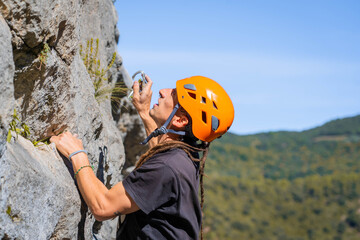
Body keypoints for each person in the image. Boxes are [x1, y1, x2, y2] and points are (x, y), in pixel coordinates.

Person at [50, 75, 234, 239]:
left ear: (179, 120)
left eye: (174, 95)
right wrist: (144, 112)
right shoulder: (184, 156)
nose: (163, 91)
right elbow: (161, 150)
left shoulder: (168, 166)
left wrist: (77, 154)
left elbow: (102, 207)